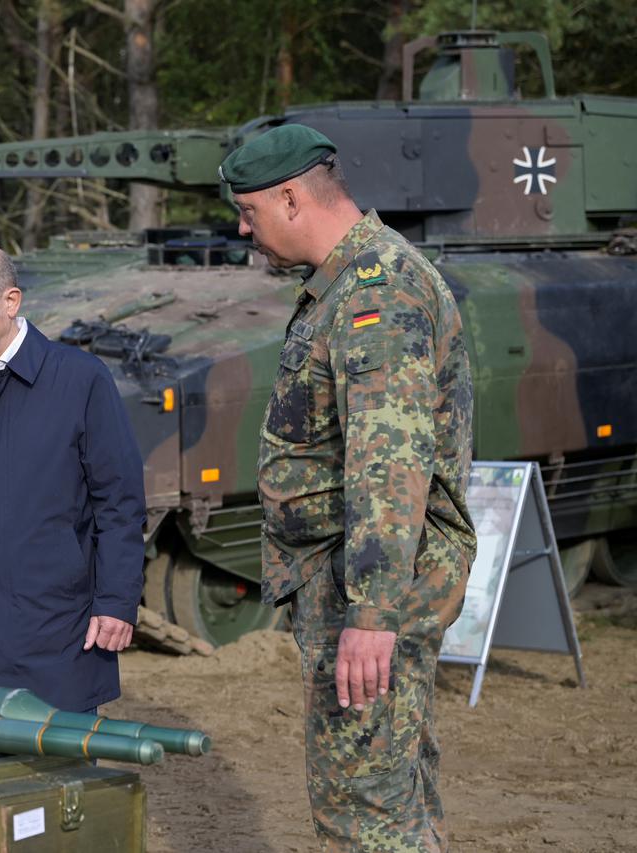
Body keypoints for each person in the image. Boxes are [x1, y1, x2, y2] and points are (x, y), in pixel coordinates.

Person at [223, 124, 476, 851]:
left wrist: (371, 613)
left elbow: (387, 461)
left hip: (365, 585)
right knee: (388, 787)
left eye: (250, 212)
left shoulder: (376, 291)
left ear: (292, 197)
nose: (245, 229)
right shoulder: (349, 283)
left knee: (362, 805)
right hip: (355, 579)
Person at [0, 242, 145, 713]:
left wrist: (116, 601)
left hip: (60, 628)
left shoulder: (80, 380)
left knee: (63, 775)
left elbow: (119, 504)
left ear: (10, 301)